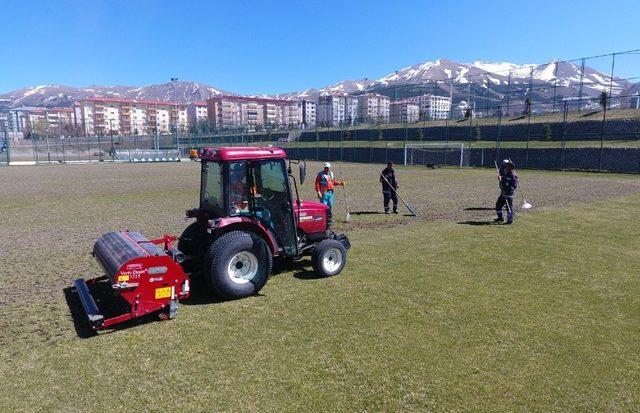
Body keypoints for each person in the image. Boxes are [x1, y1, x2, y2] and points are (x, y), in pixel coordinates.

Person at [494, 160, 519, 224]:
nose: (506, 167)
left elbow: (514, 185)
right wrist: (500, 178)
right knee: (498, 205)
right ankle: (500, 218)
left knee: (509, 207)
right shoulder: (506, 173)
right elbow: (504, 180)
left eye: (508, 166)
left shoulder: (513, 175)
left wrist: (507, 189)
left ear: (511, 168)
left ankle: (510, 220)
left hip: (508, 194)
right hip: (503, 193)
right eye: (506, 166)